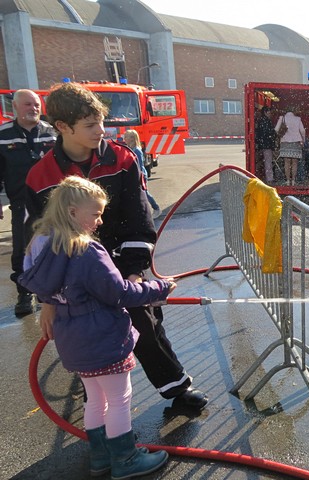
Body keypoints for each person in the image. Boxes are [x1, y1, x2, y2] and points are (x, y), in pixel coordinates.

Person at [25, 82, 208, 410]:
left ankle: (175, 389)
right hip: (73, 275)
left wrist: (133, 272)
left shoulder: (122, 159)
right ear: (63, 127)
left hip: (123, 262)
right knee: (83, 333)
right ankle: (99, 405)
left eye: (101, 121)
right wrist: (48, 299)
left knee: (145, 324)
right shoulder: (41, 176)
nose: (102, 130)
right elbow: (43, 237)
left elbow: (139, 217)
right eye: (91, 125)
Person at [19, 176, 172, 479]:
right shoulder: (86, 251)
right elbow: (119, 293)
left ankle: (101, 456)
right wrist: (159, 288)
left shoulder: (39, 246)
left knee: (95, 398)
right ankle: (125, 459)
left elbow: (47, 290)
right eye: (96, 213)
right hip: (103, 337)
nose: (100, 221)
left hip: (72, 340)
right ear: (73, 212)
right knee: (118, 399)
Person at [0, 89, 56, 316]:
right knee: (23, 248)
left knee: (56, 245)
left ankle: (54, 290)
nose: (33, 109)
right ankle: (25, 293)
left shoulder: (52, 133)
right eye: (27, 105)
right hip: (22, 203)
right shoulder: (3, 135)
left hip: (52, 202)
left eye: (36, 105)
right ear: (15, 107)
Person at [123, 129, 161, 219]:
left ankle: (156, 208)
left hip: (140, 175)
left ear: (132, 138)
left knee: (144, 193)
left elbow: (139, 165)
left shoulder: (137, 150)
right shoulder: (131, 148)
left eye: (126, 137)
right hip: (136, 174)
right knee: (138, 193)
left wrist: (136, 176)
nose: (124, 138)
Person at [275, 107, 305, 185]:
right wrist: (303, 139)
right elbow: (302, 131)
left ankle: (288, 180)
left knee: (287, 162)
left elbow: (276, 129)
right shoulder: (298, 119)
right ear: (293, 111)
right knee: (294, 162)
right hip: (296, 142)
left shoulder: (282, 118)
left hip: (285, 142)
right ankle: (293, 180)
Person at [255, 106, 276, 184]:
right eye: (269, 113)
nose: (270, 114)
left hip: (262, 144)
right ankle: (269, 179)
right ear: (265, 112)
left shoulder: (261, 121)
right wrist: (274, 133)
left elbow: (261, 133)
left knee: (265, 161)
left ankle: (267, 177)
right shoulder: (267, 121)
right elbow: (269, 133)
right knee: (268, 162)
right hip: (267, 144)